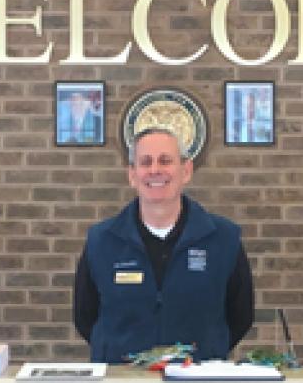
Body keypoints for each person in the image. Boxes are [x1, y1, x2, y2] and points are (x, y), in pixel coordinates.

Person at [73, 128, 254, 363]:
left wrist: (205, 353)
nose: (155, 170)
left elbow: (240, 317)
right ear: (132, 175)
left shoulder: (223, 239)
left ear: (186, 170)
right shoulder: (101, 240)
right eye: (145, 162)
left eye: (166, 161)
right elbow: (85, 317)